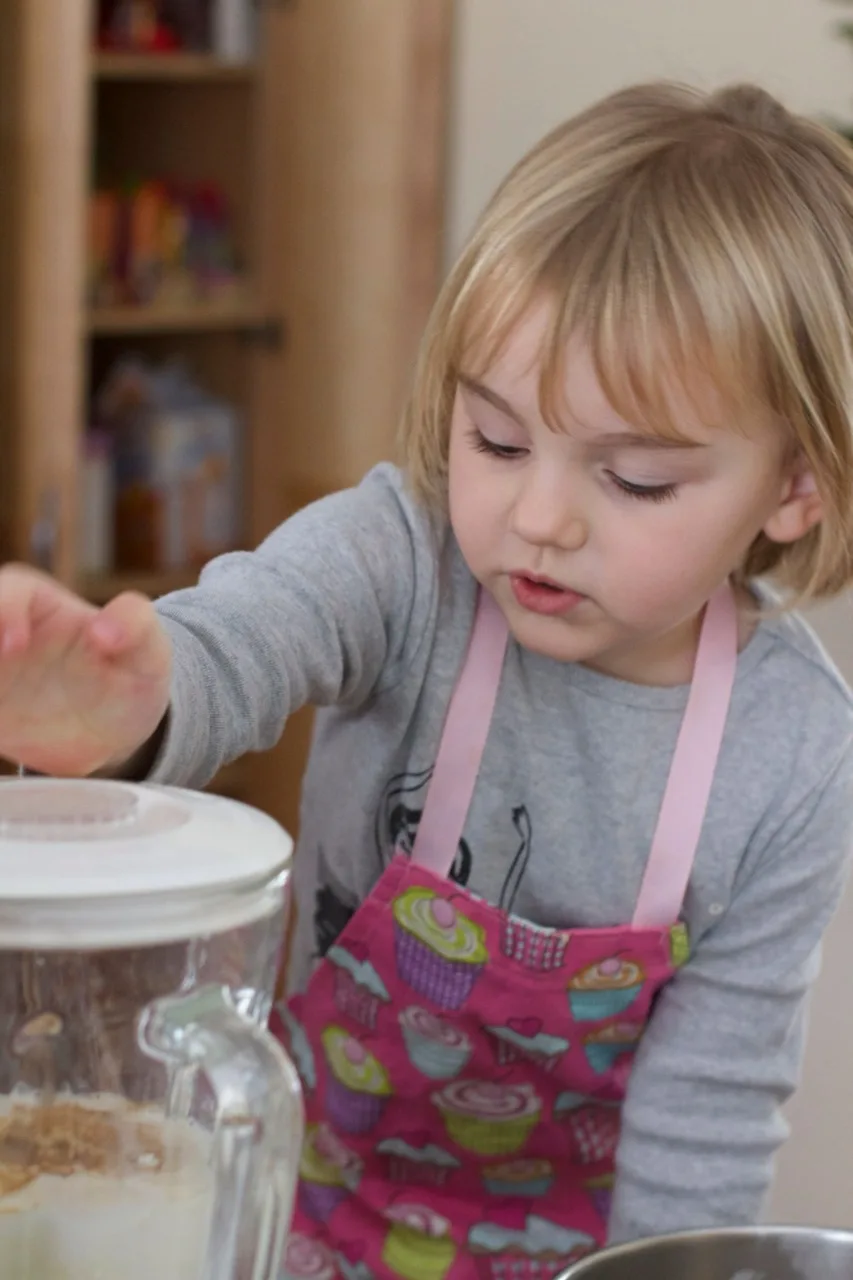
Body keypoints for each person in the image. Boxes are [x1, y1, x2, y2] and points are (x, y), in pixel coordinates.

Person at [1, 79, 853, 1275]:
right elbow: (251, 632)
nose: (538, 517)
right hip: (293, 1216)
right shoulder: (402, 560)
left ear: (792, 487)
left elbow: (704, 1118)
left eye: (636, 479)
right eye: (496, 440)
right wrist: (132, 702)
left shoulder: (795, 751)